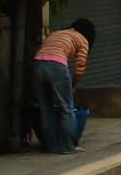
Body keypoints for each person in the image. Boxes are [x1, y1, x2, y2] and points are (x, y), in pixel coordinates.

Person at [32, 19, 95, 154]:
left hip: (37, 65)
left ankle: (50, 146)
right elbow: (79, 68)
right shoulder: (83, 40)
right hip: (56, 66)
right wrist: (73, 86)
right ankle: (67, 146)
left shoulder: (56, 33)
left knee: (45, 108)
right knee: (66, 107)